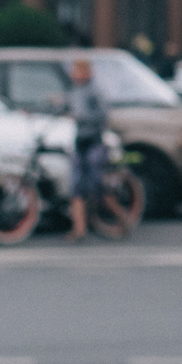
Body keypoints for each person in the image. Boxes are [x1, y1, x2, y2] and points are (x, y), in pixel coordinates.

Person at [64, 58, 109, 242]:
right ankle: (79, 228)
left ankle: (118, 216)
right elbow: (65, 108)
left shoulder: (94, 91)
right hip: (79, 140)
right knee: (77, 186)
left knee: (95, 184)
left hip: (93, 140)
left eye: (79, 71)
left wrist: (82, 117)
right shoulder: (74, 91)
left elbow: (103, 115)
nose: (75, 74)